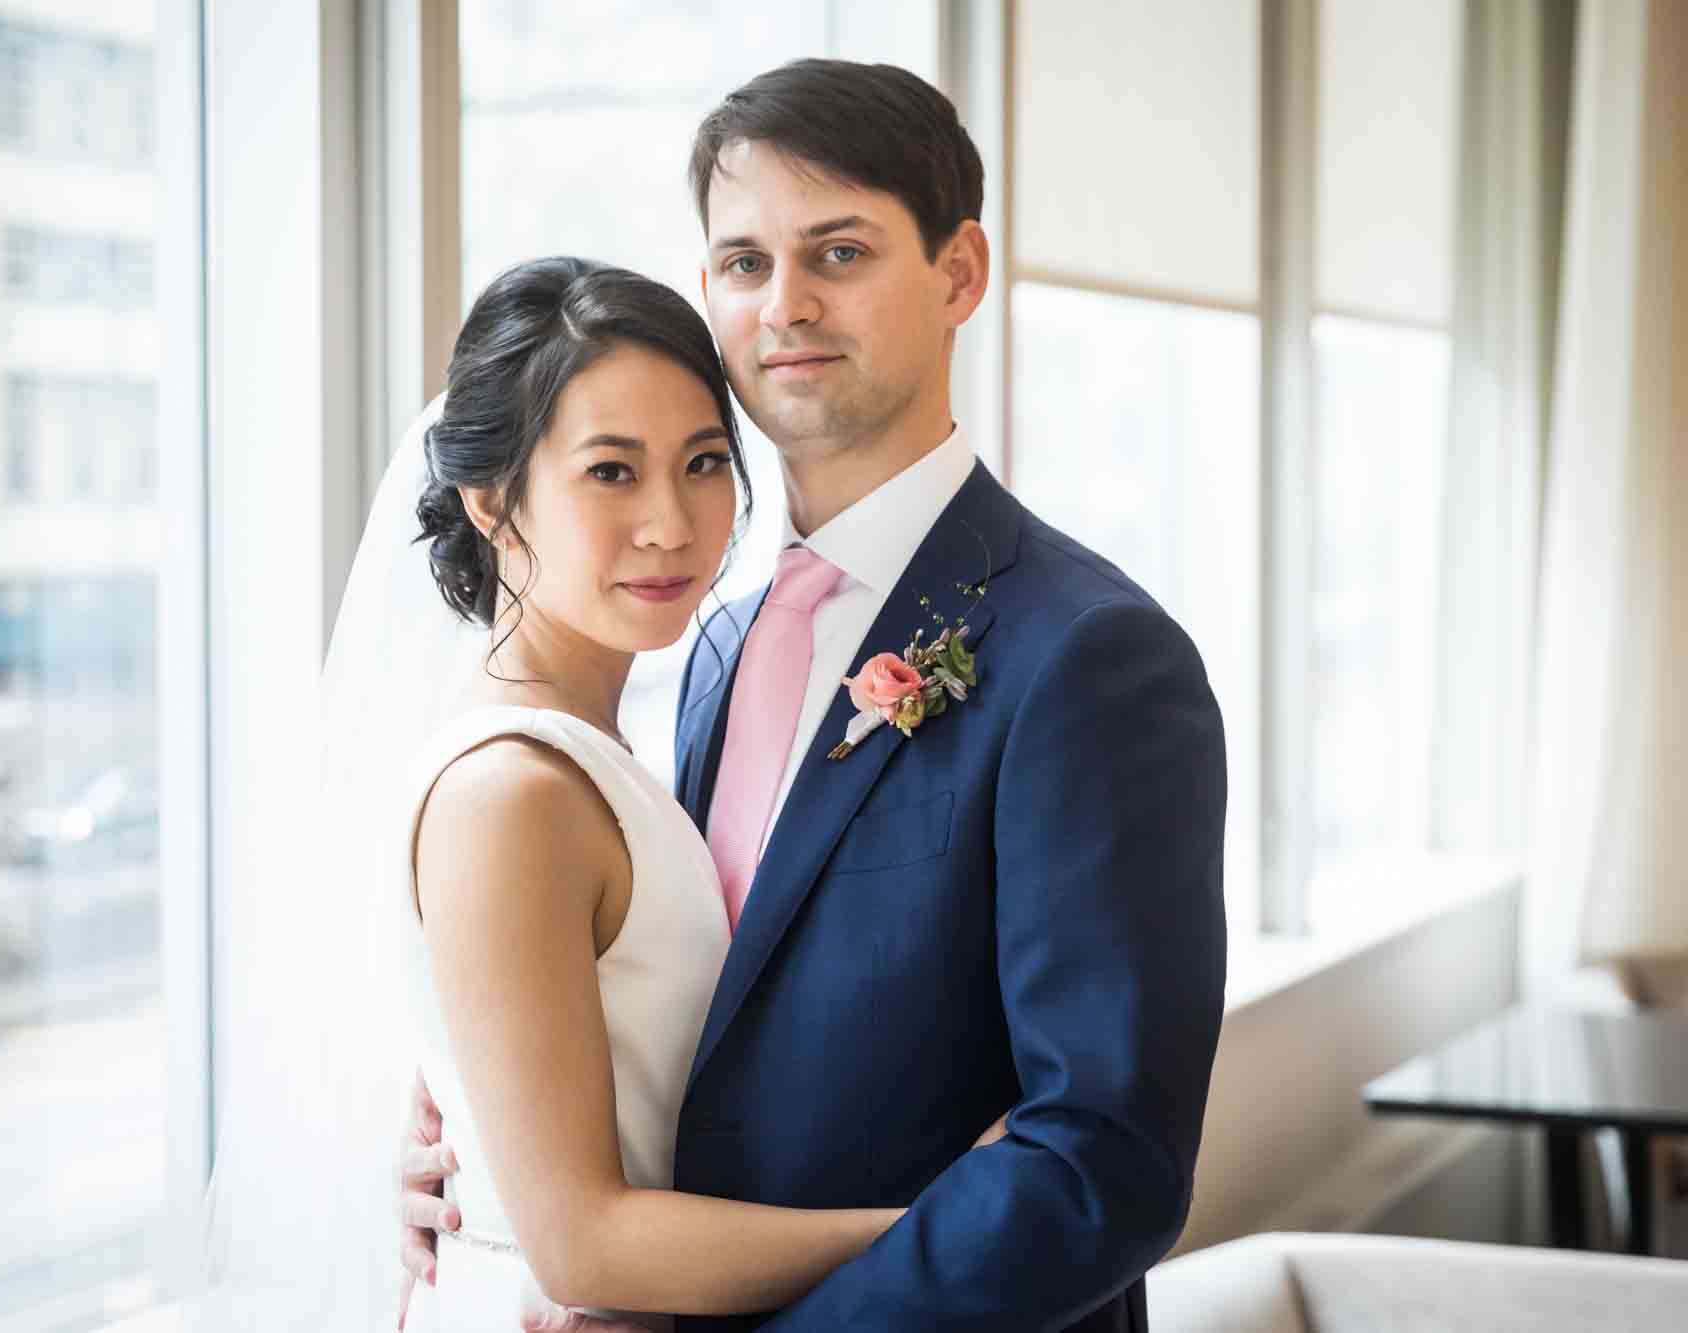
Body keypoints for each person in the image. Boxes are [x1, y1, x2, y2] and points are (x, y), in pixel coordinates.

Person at [400, 60, 1229, 1332]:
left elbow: (1098, 1168)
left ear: (957, 273)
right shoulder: (709, 649)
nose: (784, 303)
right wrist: (471, 1168)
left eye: (836, 251)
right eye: (742, 263)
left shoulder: (1091, 656)